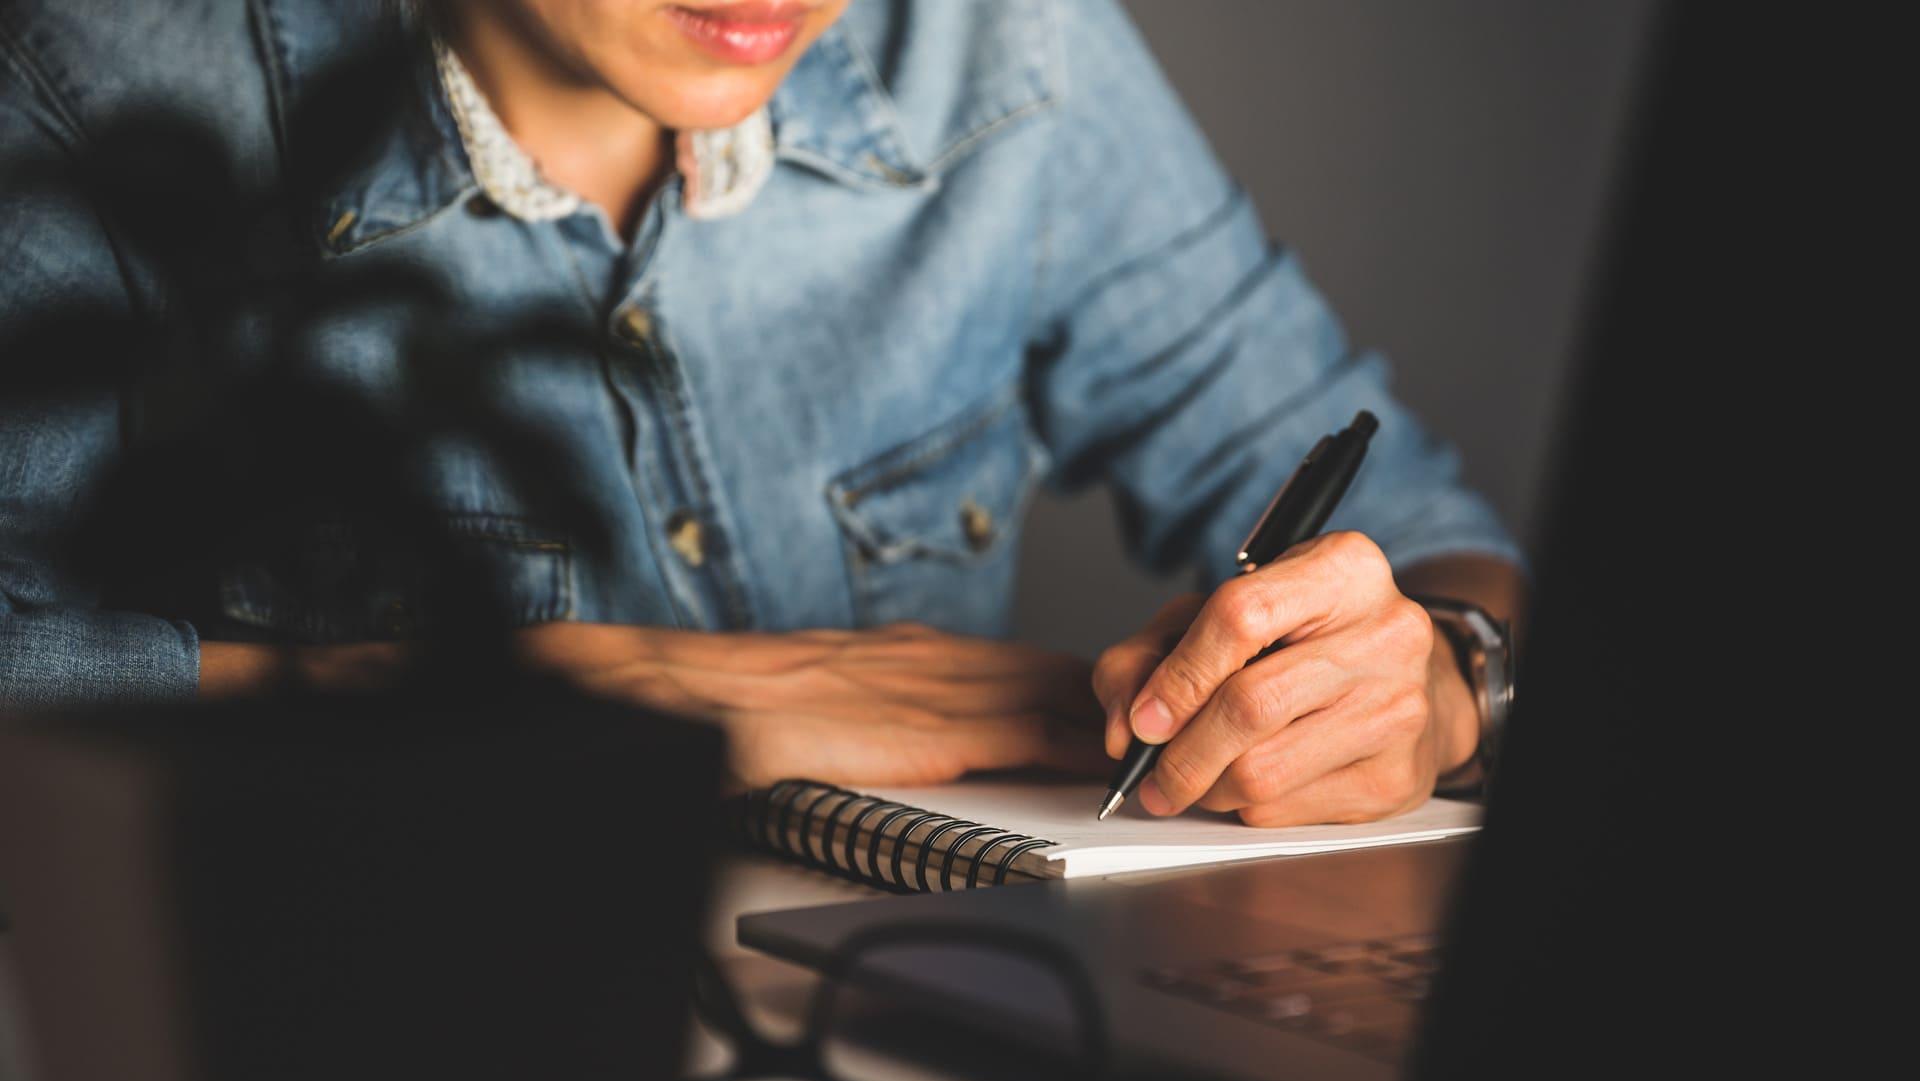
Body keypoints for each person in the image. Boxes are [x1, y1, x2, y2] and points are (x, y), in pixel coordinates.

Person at [0, 0, 1524, 825]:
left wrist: (1445, 678)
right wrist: (578, 699)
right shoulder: (93, 83)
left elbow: (1448, 548)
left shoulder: (1006, 48)